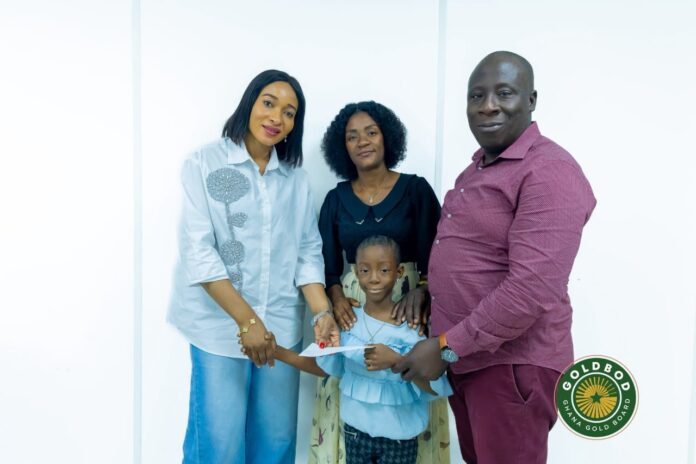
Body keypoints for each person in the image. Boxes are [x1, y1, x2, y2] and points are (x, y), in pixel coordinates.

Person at [393, 51, 597, 463]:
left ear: (532, 100)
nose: (487, 105)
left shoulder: (549, 170)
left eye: (504, 93)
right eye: (477, 96)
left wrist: (446, 348)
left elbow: (530, 290)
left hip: (511, 365)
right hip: (471, 360)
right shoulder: (478, 169)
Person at [167, 69, 339, 464]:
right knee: (219, 447)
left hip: (280, 328)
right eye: (269, 103)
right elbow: (199, 252)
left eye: (290, 112)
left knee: (276, 445)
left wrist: (321, 313)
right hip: (218, 330)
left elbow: (307, 251)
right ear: (249, 103)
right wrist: (247, 322)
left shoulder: (295, 180)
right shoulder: (203, 163)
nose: (277, 117)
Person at [310, 101, 449, 464]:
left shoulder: (416, 190)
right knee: (350, 385)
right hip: (351, 311)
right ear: (342, 147)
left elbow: (442, 251)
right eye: (352, 136)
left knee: (408, 383)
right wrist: (336, 296)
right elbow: (324, 264)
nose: (363, 142)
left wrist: (423, 289)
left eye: (371, 132)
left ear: (387, 137)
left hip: (410, 307)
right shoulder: (335, 199)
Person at [273, 236, 451, 464]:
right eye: (365, 270)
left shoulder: (411, 329)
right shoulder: (347, 324)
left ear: (398, 272)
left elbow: (434, 388)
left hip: (399, 440)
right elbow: (326, 368)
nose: (374, 278)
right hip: (355, 434)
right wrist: (278, 352)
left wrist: (396, 361)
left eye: (384, 270)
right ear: (356, 273)